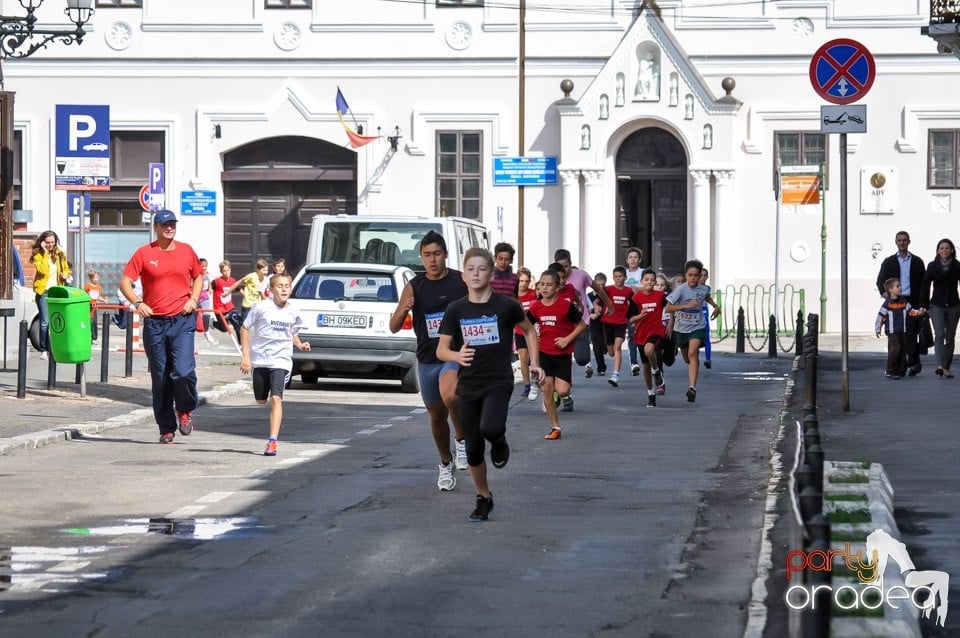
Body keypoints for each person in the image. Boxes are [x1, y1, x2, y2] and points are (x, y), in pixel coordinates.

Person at [437, 248, 543, 522]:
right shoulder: (456, 309)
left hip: (498, 380)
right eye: (470, 269)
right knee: (472, 450)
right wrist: (456, 356)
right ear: (463, 274)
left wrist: (535, 363)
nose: (475, 274)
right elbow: (442, 350)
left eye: (481, 269)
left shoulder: (506, 306)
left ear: (491, 273)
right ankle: (483, 497)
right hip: (469, 384)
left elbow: (530, 331)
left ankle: (498, 440)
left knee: (491, 427)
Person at [389, 230, 468, 491]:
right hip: (427, 358)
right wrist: (403, 308)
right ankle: (446, 464)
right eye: (426, 255)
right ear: (421, 257)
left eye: (436, 254)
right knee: (436, 416)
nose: (432, 260)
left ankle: (461, 438)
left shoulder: (460, 281)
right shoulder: (414, 285)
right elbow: (393, 326)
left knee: (451, 394)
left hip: (454, 354)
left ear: (445, 254)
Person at [120, 209, 203, 444]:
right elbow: (126, 281)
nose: (169, 227)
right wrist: (138, 303)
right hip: (155, 323)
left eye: (172, 223)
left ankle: (185, 410)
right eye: (165, 224)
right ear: (156, 227)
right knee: (161, 377)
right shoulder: (145, 253)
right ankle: (166, 428)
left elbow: (198, 276)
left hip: (182, 319)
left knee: (183, 371)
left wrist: (193, 299)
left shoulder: (187, 251)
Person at [240, 272, 310, 456]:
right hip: (261, 359)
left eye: (287, 286)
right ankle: (264, 401)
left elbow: (292, 332)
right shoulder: (261, 307)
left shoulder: (294, 311)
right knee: (261, 400)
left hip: (281, 360)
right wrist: (245, 356)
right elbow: (245, 328)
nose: (284, 289)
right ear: (271, 290)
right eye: (279, 286)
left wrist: (300, 344)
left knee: (276, 398)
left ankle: (272, 441)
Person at [527, 268, 587, 440]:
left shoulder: (565, 306)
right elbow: (526, 326)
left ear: (557, 287)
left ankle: (561, 392)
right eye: (542, 285)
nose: (545, 288)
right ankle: (555, 426)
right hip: (544, 353)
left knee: (562, 390)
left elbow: (582, 325)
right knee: (547, 389)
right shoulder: (536, 307)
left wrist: (567, 339)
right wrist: (534, 337)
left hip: (562, 354)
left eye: (549, 285)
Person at [664, 259, 720, 403]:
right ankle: (693, 366)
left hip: (697, 326)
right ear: (686, 275)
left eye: (696, 275)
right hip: (681, 328)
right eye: (690, 275)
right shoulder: (681, 290)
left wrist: (715, 306)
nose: (693, 278)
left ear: (700, 275)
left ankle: (692, 388)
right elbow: (668, 308)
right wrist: (685, 306)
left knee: (692, 352)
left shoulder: (704, 288)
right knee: (687, 358)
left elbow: (705, 296)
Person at [553, 249, 612, 380]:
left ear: (571, 263)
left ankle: (578, 347)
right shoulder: (551, 278)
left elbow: (597, 288)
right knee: (560, 359)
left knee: (581, 358)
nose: (564, 270)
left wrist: (609, 304)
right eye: (561, 266)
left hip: (580, 324)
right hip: (559, 325)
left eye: (567, 266)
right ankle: (563, 387)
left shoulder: (581, 275)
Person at [876, 231, 926, 376]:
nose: (902, 242)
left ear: (909, 241)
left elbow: (924, 284)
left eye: (905, 240)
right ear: (896, 242)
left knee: (911, 335)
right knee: (896, 335)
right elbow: (880, 280)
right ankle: (898, 368)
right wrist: (883, 292)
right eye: (899, 240)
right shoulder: (889, 261)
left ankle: (914, 363)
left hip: (912, 301)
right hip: (894, 302)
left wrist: (923, 303)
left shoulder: (917, 261)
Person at [628, 269, 672, 406]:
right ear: (641, 281)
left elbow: (670, 308)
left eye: (652, 280)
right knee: (644, 366)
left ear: (655, 282)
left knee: (649, 350)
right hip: (641, 333)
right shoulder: (636, 298)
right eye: (646, 280)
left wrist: (671, 322)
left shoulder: (660, 296)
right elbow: (631, 319)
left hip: (656, 331)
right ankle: (651, 394)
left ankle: (656, 371)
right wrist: (639, 316)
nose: (649, 282)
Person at [920, 238, 960, 378]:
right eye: (941, 248)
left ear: (952, 250)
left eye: (947, 248)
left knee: (950, 337)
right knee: (940, 335)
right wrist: (923, 306)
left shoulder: (957, 265)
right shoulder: (932, 266)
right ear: (938, 250)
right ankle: (939, 365)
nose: (944, 250)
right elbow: (925, 286)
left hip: (954, 305)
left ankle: (946, 367)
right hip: (936, 304)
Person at [30, 230, 72, 360]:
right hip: (43, 292)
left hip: (56, 291)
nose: (50, 245)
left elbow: (66, 268)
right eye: (47, 243)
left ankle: (55, 347)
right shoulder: (38, 255)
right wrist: (45, 253)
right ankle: (43, 349)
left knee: (56, 321)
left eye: (52, 242)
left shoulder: (60, 254)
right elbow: (42, 270)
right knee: (44, 322)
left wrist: (65, 274)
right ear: (43, 242)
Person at [875, 277, 925, 379]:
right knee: (896, 348)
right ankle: (890, 370)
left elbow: (911, 312)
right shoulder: (887, 304)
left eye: (900, 286)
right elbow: (881, 316)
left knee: (903, 349)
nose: (900, 288)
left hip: (903, 330)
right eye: (897, 286)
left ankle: (900, 371)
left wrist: (919, 312)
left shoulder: (904, 302)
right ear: (890, 290)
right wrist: (878, 328)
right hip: (892, 331)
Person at [601, 266, 633, 388]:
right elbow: (597, 300)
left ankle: (615, 375)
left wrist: (634, 317)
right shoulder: (608, 289)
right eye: (616, 277)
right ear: (613, 277)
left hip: (621, 322)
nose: (618, 279)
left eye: (620, 276)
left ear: (625, 277)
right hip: (608, 322)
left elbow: (634, 303)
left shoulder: (629, 291)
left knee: (618, 347)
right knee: (611, 351)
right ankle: (615, 360)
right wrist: (596, 306)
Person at [514, 267, 539, 400]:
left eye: (526, 281)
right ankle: (527, 385)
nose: (523, 283)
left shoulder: (534, 293)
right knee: (523, 358)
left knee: (534, 358)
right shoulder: (513, 295)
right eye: (521, 281)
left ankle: (535, 381)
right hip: (519, 330)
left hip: (534, 330)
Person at [229, 259, 269, 326]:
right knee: (243, 324)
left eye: (266, 270)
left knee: (257, 323)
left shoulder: (265, 279)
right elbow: (239, 283)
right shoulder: (252, 276)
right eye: (263, 270)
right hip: (247, 304)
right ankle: (233, 316)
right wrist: (229, 291)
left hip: (257, 305)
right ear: (257, 270)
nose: (265, 272)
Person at [623, 247, 644, 376]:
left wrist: (638, 288)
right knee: (632, 336)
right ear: (627, 260)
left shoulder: (643, 273)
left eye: (635, 257)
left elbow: (650, 285)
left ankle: (646, 359)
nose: (633, 259)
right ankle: (634, 362)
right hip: (629, 309)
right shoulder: (623, 274)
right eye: (630, 257)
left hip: (642, 307)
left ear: (639, 260)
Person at [211, 260, 242, 336]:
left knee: (237, 324)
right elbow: (208, 288)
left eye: (228, 270)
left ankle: (241, 345)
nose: (226, 272)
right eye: (224, 271)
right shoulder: (217, 281)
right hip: (219, 308)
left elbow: (239, 289)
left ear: (230, 270)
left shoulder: (232, 280)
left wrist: (246, 296)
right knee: (224, 329)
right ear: (221, 272)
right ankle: (213, 323)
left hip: (230, 307)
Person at [587, 272, 608, 378]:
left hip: (606, 322)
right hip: (594, 323)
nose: (600, 287)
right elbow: (586, 310)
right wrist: (592, 315)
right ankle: (601, 368)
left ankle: (605, 348)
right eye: (598, 285)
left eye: (603, 285)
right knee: (596, 345)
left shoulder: (607, 295)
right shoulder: (589, 296)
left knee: (605, 344)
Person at [197, 258, 216, 345]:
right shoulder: (197, 274)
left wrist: (211, 288)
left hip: (205, 297)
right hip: (197, 297)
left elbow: (209, 283)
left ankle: (206, 331)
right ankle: (190, 331)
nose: (204, 268)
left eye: (205, 266)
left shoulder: (207, 274)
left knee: (206, 313)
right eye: (202, 266)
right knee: (193, 315)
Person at [699, 267, 713, 369]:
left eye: (705, 276)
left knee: (706, 336)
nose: (703, 278)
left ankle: (708, 359)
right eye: (701, 275)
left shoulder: (707, 288)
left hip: (703, 311)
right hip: (694, 312)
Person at [85, 269, 102, 343]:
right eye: (94, 278)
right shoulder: (88, 286)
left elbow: (99, 297)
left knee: (94, 322)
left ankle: (94, 338)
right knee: (89, 321)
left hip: (94, 306)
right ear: (90, 278)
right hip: (88, 305)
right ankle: (88, 336)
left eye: (97, 278)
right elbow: (85, 294)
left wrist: (104, 300)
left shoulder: (99, 287)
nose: (96, 279)